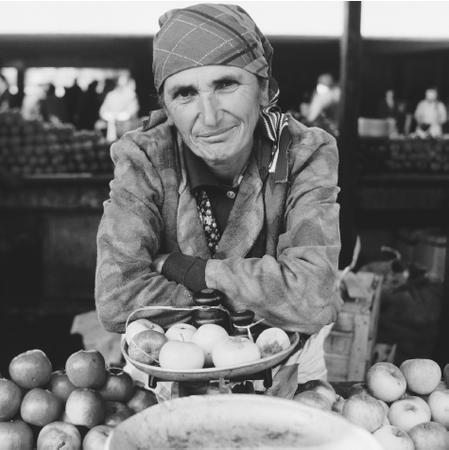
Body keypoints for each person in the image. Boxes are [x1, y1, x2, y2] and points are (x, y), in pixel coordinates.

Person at [95, 3, 342, 382]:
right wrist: (268, 294)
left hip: (285, 370)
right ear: (167, 106)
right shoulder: (144, 155)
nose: (209, 117)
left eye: (226, 84)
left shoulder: (303, 152)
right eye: (185, 93)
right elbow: (117, 299)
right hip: (167, 373)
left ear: (262, 88)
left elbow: (312, 298)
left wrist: (183, 268)